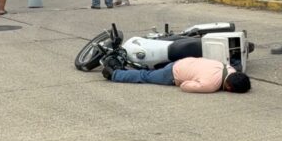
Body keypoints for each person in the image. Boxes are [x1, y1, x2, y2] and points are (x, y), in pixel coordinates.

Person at [101, 56, 251, 94]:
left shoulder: (228, 67)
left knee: (151, 71)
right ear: (230, 88)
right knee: (144, 76)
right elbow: (185, 87)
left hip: (180, 62)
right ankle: (114, 74)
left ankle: (122, 69)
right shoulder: (210, 85)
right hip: (173, 74)